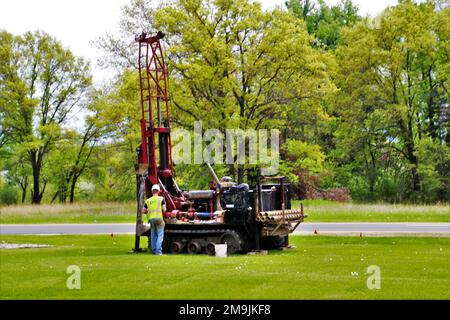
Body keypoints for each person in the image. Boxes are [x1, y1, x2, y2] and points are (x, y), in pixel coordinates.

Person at [142, 184, 166, 255]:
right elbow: (164, 210)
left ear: (152, 191)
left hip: (151, 219)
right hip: (159, 219)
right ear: (158, 191)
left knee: (153, 235)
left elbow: (143, 211)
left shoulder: (148, 200)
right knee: (160, 235)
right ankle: (158, 252)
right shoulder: (161, 199)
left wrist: (148, 212)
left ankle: (153, 250)